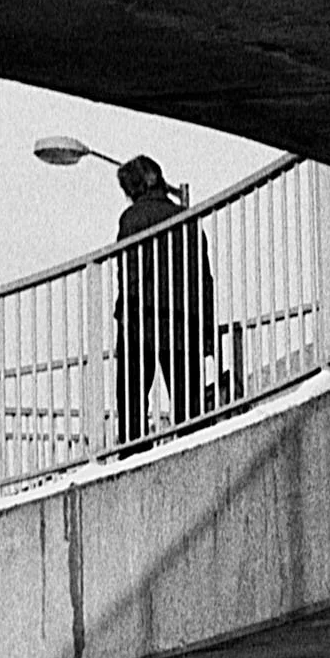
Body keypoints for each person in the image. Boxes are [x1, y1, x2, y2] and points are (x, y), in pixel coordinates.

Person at [114, 155, 216, 445]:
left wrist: (126, 314)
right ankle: (192, 447)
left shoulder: (133, 219)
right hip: (185, 322)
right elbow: (204, 279)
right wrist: (206, 331)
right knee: (188, 402)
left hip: (142, 319)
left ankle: (133, 453)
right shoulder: (189, 220)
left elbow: (130, 273)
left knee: (133, 396)